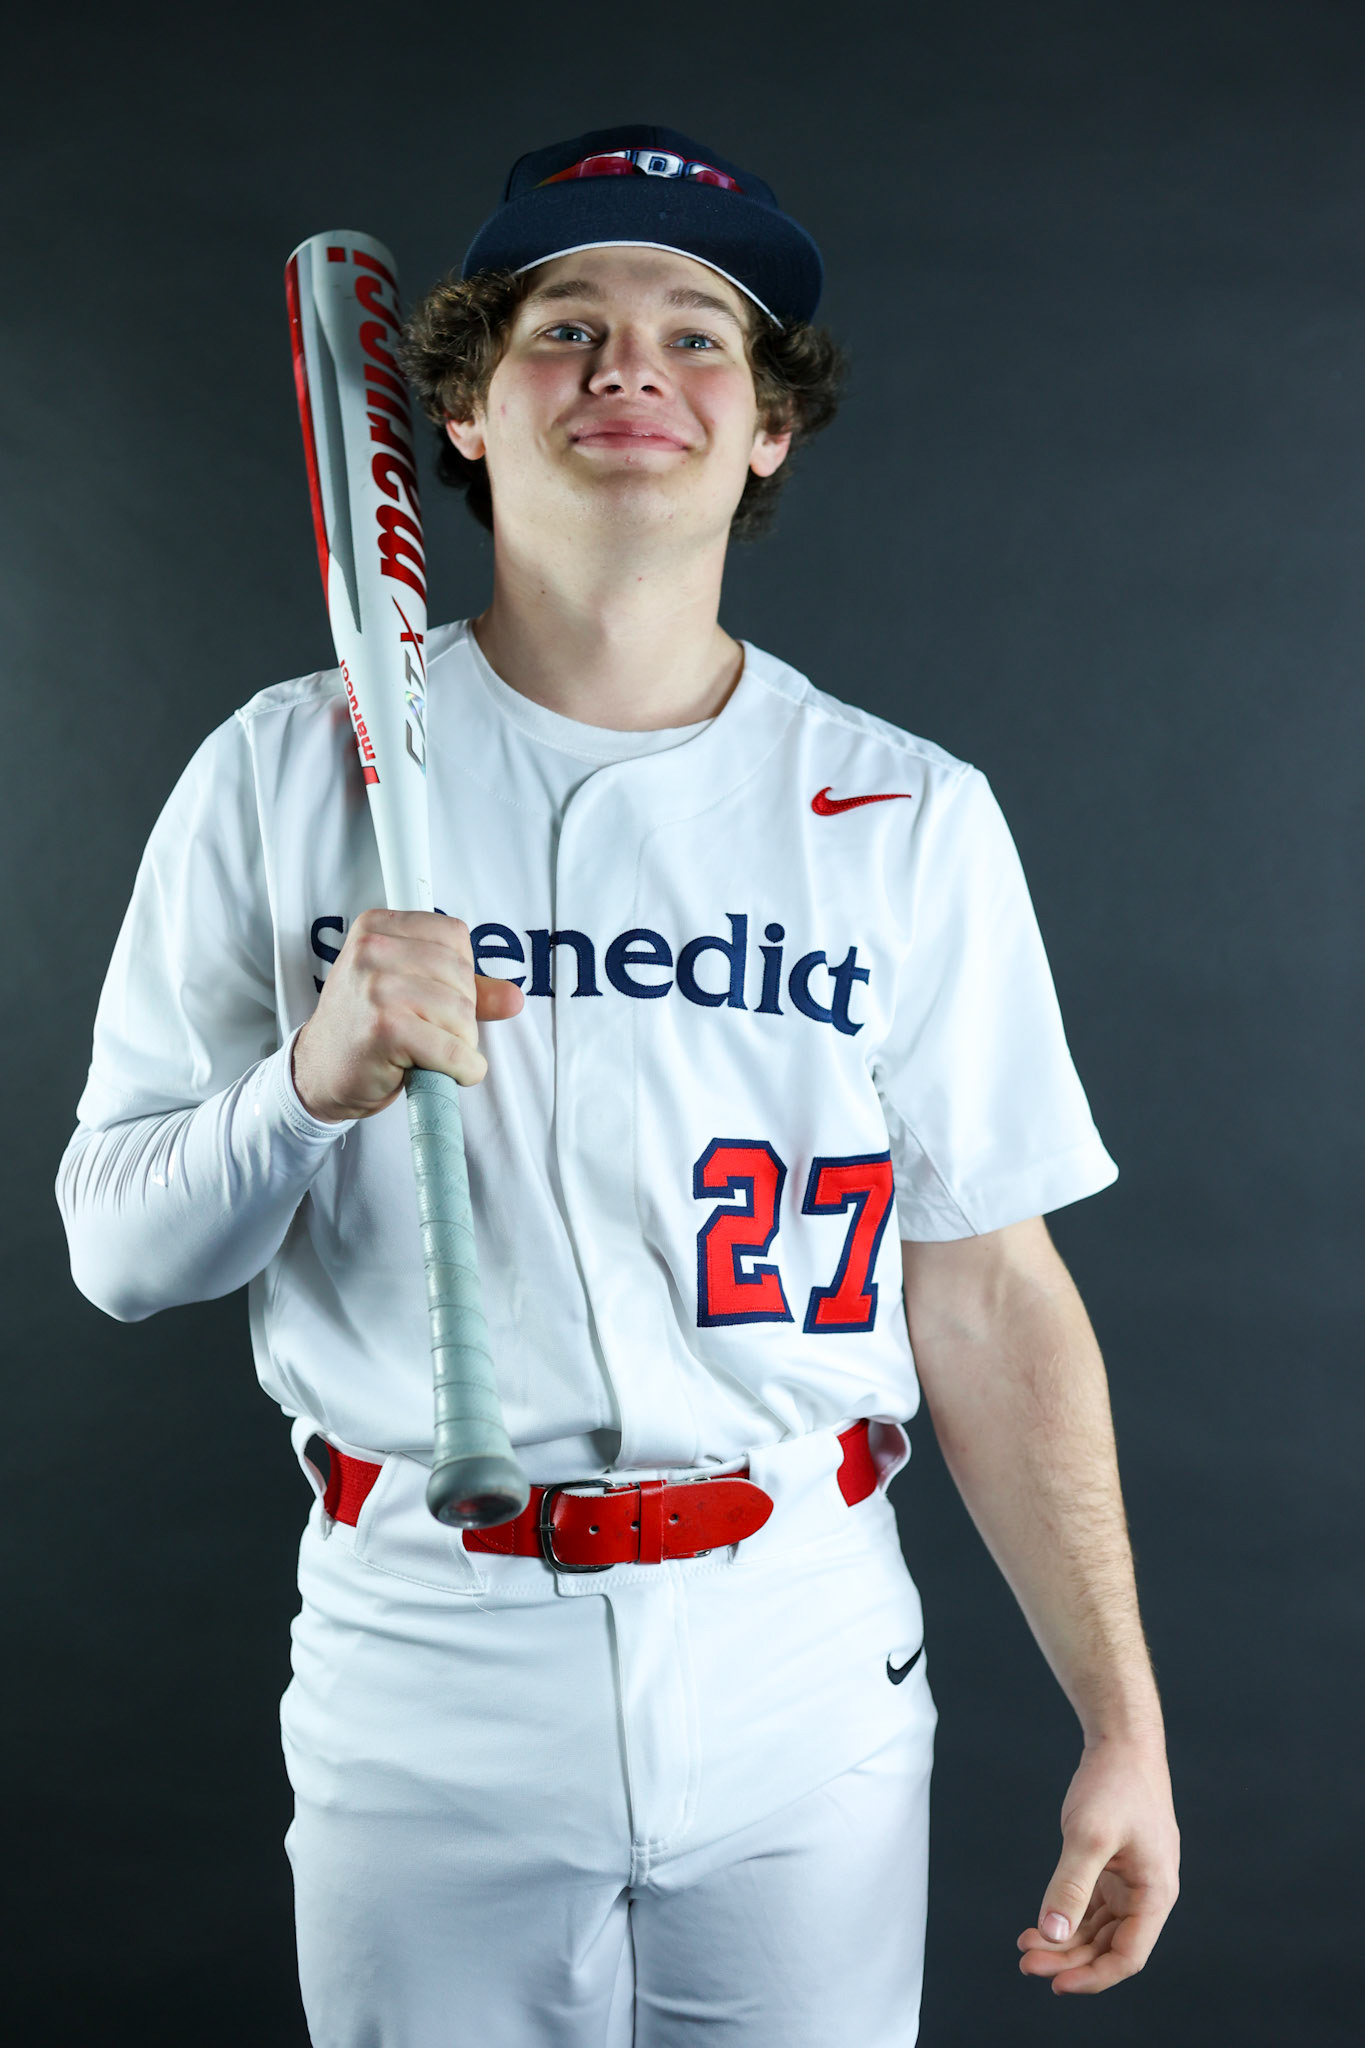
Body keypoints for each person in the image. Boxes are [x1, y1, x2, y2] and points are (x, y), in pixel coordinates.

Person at [57, 124, 1179, 2045]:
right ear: (465, 417)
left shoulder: (905, 811)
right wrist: (309, 1084)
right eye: (564, 326)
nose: (628, 366)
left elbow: (990, 1288)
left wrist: (1123, 1724)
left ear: (768, 431)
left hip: (801, 1635)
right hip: (430, 1638)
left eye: (696, 335)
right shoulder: (280, 769)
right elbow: (117, 1254)